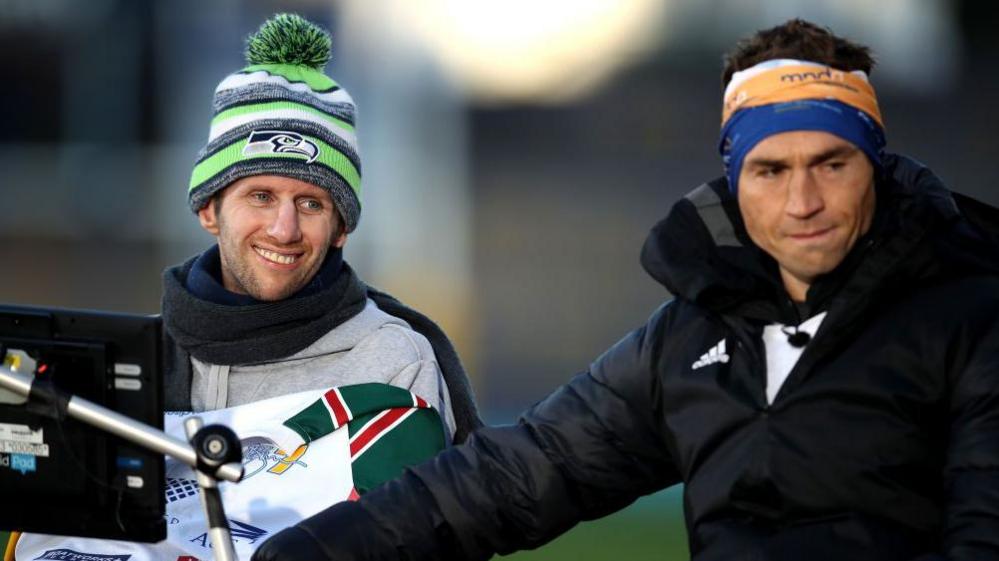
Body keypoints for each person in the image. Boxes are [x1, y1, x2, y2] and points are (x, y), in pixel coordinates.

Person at [251, 19, 999, 561]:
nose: (801, 199)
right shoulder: (692, 334)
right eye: (771, 171)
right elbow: (516, 475)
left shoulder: (971, 316)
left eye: (830, 163)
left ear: (875, 163)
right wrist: (304, 551)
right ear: (736, 183)